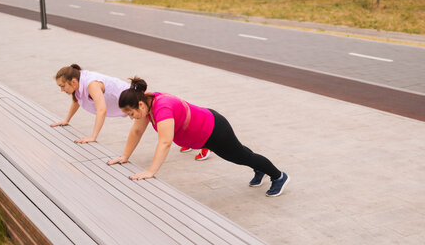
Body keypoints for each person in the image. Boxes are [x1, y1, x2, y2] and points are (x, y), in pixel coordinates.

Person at [107, 77, 289, 197]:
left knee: (241, 156)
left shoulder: (161, 108)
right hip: (206, 131)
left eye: (131, 113)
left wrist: (151, 171)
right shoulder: (145, 103)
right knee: (240, 154)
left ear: (139, 104)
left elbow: (165, 142)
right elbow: (136, 131)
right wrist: (125, 156)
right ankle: (259, 168)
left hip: (214, 130)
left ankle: (279, 176)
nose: (132, 118)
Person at [52, 64, 130, 143]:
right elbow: (77, 100)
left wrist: (93, 137)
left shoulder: (91, 84)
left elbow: (101, 110)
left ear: (73, 82)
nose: (61, 90)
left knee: (137, 131)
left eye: (62, 86)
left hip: (133, 97)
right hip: (126, 101)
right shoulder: (78, 80)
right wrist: (66, 120)